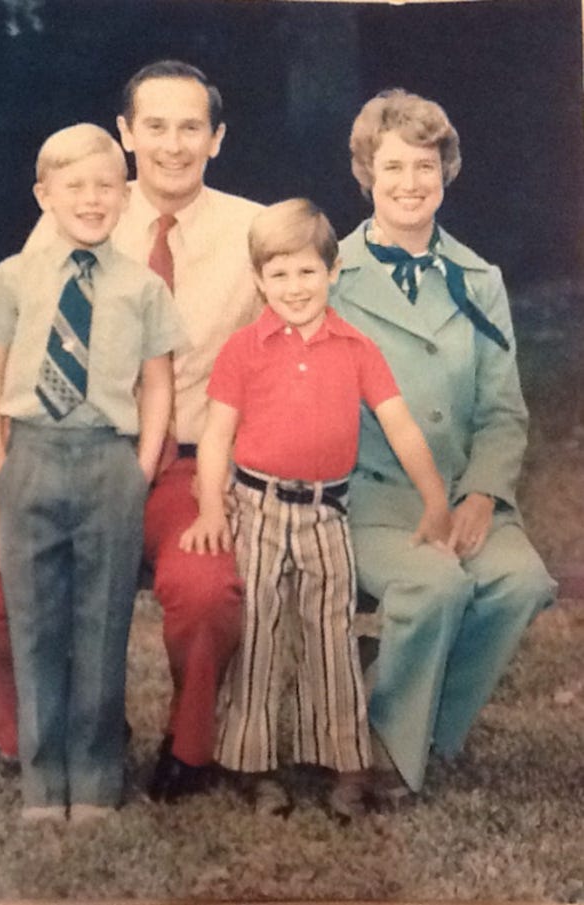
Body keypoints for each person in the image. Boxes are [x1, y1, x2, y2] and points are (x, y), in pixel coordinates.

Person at [0, 61, 263, 801]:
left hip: (186, 469)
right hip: (67, 463)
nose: (173, 145)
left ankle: (191, 748)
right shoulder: (75, 208)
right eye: (156, 126)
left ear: (218, 138)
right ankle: (65, 733)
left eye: (192, 127)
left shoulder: (254, 231)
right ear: (126, 132)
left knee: (206, 589)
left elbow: (292, 346)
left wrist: (238, 485)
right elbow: (14, 374)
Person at [179, 198, 452, 818]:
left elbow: (402, 426)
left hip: (327, 514)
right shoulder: (243, 349)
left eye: (307, 272)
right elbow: (217, 436)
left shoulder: (356, 348)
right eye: (279, 274)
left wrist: (435, 500)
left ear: (332, 273)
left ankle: (344, 766)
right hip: (258, 508)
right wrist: (211, 510)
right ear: (258, 281)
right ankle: (253, 765)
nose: (294, 287)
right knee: (261, 636)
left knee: (331, 637)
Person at [330, 89, 556, 799]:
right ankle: (388, 756)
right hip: (371, 499)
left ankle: (423, 727)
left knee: (521, 581)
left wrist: (483, 494)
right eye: (393, 166)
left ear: (445, 171)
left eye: (424, 166)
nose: (409, 184)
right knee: (433, 584)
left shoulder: (478, 280)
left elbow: (502, 410)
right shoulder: (329, 276)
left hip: (463, 493)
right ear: (367, 172)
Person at [0, 123, 183, 822]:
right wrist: (1, 465)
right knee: (35, 624)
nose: (91, 199)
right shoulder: (14, 277)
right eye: (75, 186)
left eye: (106, 186)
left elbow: (159, 385)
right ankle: (40, 782)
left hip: (108, 462)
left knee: (102, 623)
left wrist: (140, 467)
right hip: (31, 455)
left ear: (126, 194)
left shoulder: (142, 288)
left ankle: (93, 780)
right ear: (44, 194)